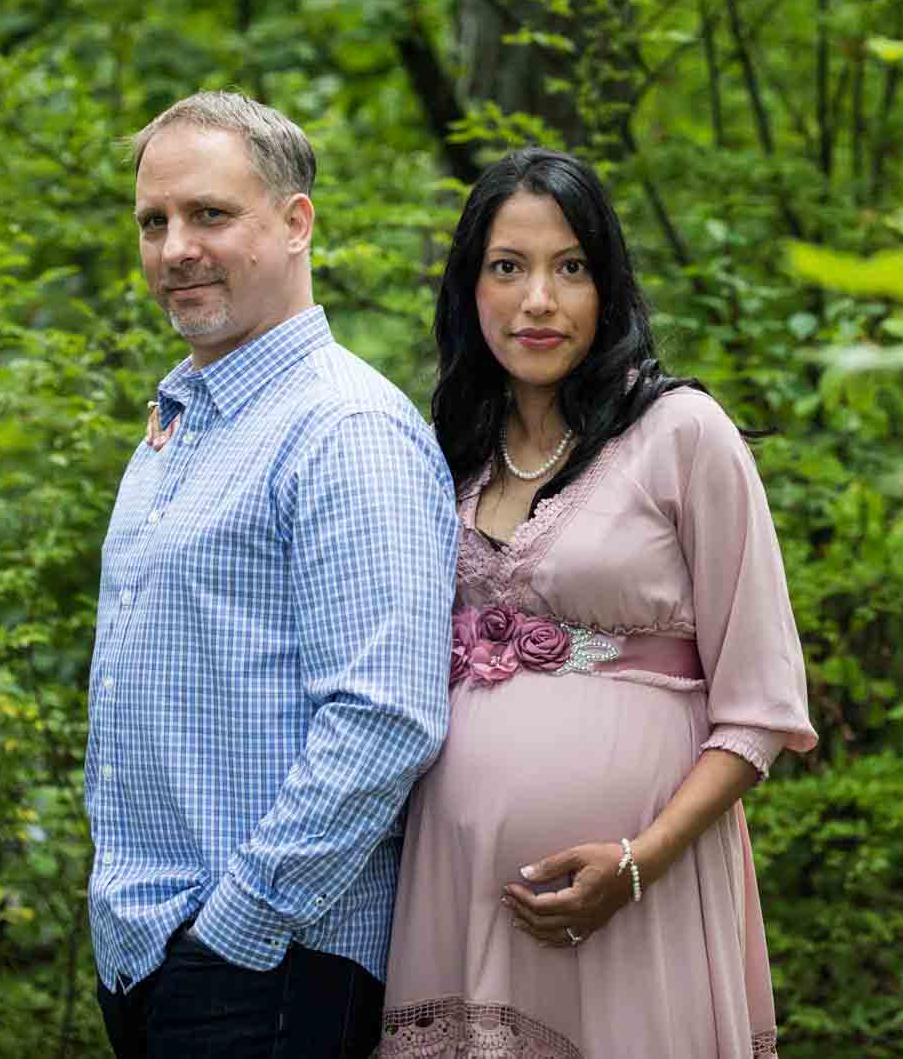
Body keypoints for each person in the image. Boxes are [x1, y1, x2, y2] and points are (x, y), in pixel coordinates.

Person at [379, 149, 818, 1058]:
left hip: (640, 899)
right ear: (469, 289)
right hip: (452, 892)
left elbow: (762, 707)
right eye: (508, 267)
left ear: (607, 288)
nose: (538, 299)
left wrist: (637, 860)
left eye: (569, 267)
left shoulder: (683, 434)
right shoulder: (443, 454)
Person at [85, 91, 458, 1058]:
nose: (174, 248)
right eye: (153, 221)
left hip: (273, 966)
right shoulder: (184, 423)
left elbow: (385, 716)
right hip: (153, 950)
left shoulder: (346, 431)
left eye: (209, 214)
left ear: (296, 224)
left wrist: (239, 929)